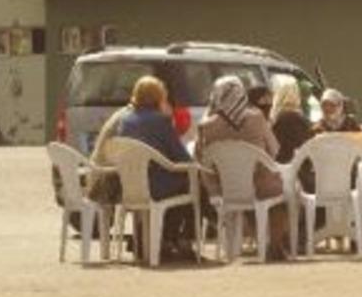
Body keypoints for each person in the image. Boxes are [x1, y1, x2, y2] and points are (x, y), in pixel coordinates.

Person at [195, 76, 289, 260]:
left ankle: (240, 243)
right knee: (282, 197)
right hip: (260, 187)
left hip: (224, 189)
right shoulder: (257, 118)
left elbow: (201, 160)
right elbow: (275, 150)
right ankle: (275, 244)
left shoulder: (206, 126)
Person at [116, 76, 195, 260]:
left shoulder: (125, 120)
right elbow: (182, 157)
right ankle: (178, 240)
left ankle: (154, 239)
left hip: (130, 185)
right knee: (190, 184)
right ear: (159, 96)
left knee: (178, 183)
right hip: (157, 185)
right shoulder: (161, 121)